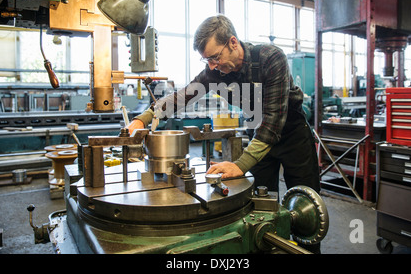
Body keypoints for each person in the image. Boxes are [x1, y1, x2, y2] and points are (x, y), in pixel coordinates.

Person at [128, 15, 321, 252]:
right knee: (261, 207)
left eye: (215, 57)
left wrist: (240, 165)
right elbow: (182, 96)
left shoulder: (271, 58)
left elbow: (272, 122)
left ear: (232, 42)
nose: (211, 66)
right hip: (258, 136)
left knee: (306, 209)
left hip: (292, 136)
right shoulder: (214, 72)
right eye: (206, 60)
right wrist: (143, 119)